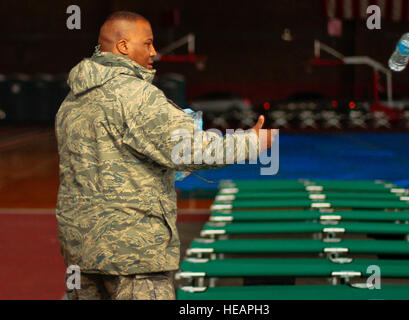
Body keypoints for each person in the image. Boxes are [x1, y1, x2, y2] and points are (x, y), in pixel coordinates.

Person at [55, 11, 275, 300]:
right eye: (147, 44)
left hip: (81, 248)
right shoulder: (136, 95)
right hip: (134, 253)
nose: (154, 52)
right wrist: (253, 143)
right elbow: (193, 150)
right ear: (123, 46)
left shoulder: (71, 101)